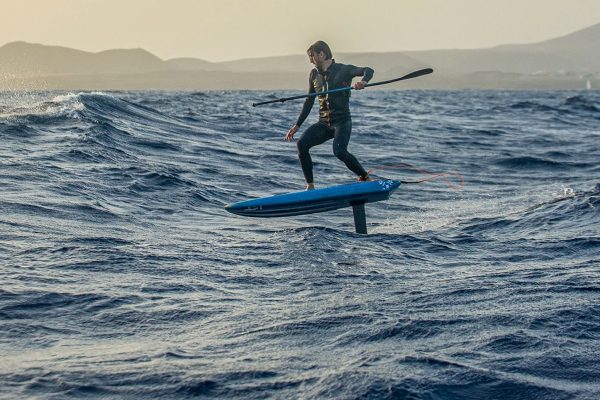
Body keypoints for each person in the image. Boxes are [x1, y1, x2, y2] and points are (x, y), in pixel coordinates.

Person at [285, 40, 374, 190]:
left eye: (312, 56)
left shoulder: (344, 70)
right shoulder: (314, 74)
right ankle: (310, 186)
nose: (310, 60)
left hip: (342, 122)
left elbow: (368, 70)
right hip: (324, 123)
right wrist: (297, 124)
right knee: (302, 144)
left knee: (339, 151)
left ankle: (365, 177)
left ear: (322, 54)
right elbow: (309, 101)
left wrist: (363, 81)